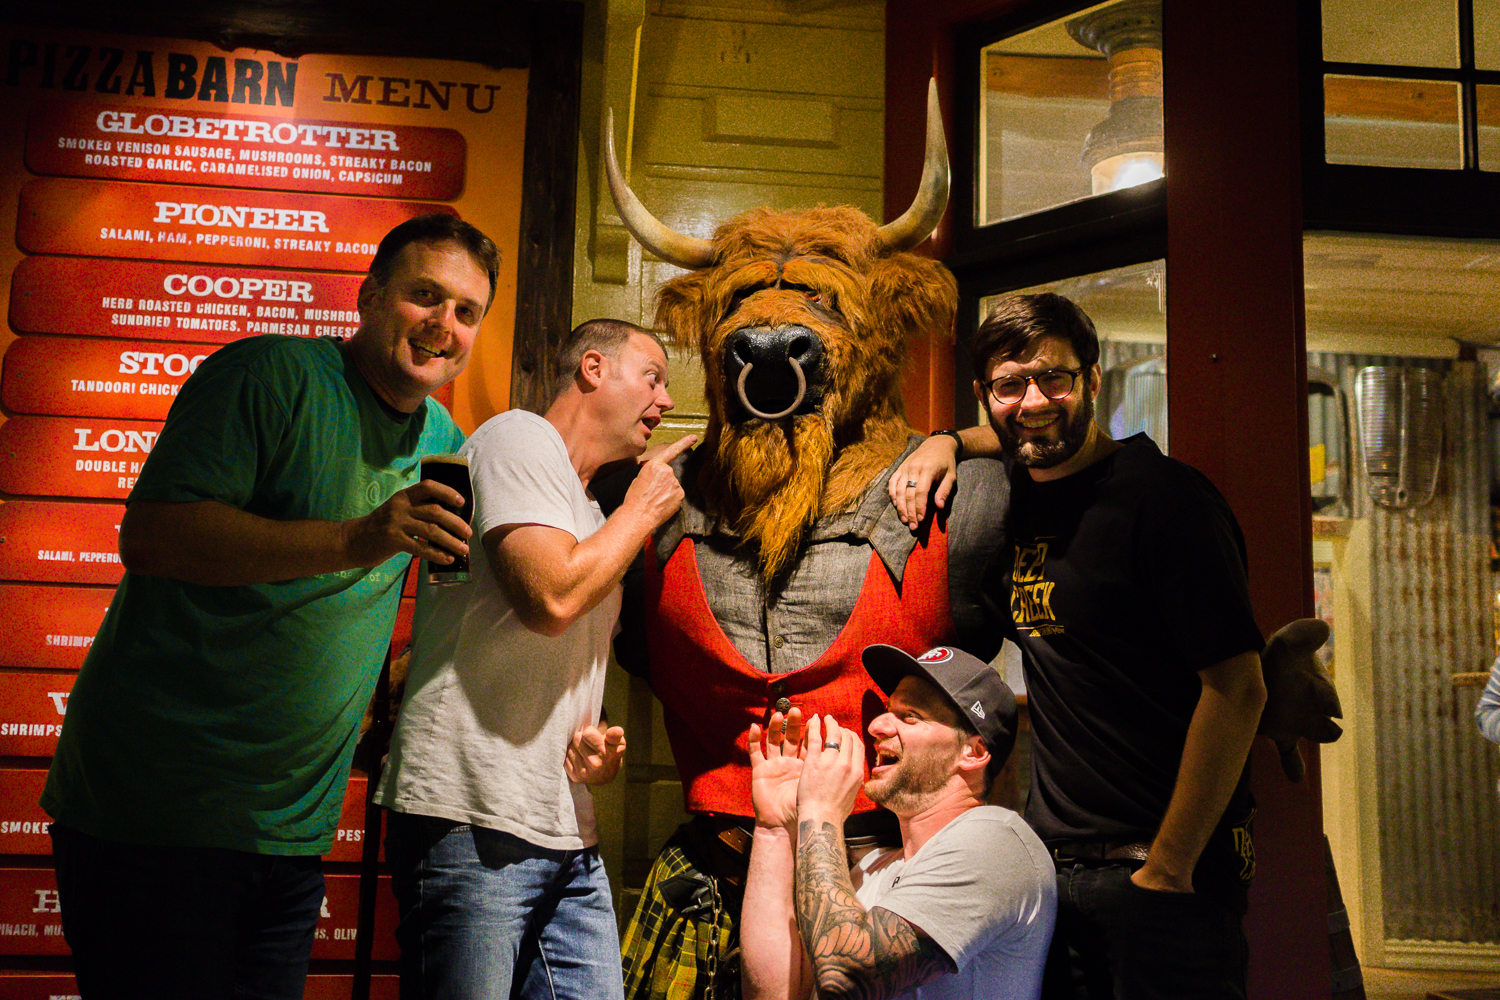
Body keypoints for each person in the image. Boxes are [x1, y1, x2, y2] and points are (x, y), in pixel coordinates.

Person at [41, 214, 500, 1000]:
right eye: (425, 295)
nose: (443, 324)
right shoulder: (268, 376)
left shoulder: (443, 442)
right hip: (155, 820)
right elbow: (152, 536)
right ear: (369, 297)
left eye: (466, 311)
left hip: (290, 838)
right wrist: (357, 538)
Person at [890, 293, 1268, 1000]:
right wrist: (943, 442)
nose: (1034, 401)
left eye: (1054, 378)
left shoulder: (1165, 499)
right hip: (1056, 878)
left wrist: (1169, 867)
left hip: (1158, 879)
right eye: (1010, 385)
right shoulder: (1016, 496)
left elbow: (1238, 686)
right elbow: (1005, 435)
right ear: (984, 395)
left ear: (1093, 379)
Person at [374, 319, 694, 1000]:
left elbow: (551, 649)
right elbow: (551, 598)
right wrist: (641, 511)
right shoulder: (517, 438)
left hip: (564, 829)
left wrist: (591, 738)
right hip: (471, 815)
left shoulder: (587, 511)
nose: (665, 400)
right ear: (593, 368)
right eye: (653, 377)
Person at [740, 642, 1056, 1000]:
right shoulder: (873, 868)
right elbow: (773, 995)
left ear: (973, 752)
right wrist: (775, 827)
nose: (876, 725)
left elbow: (845, 976)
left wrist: (821, 810)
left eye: (911, 716)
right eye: (888, 710)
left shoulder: (996, 844)